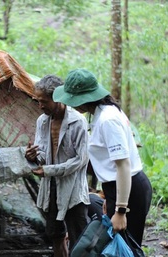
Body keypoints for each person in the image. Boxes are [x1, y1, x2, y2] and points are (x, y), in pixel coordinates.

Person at [52, 68, 152, 247]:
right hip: (119, 188)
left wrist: (121, 210)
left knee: (124, 248)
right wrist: (109, 197)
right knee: (119, 246)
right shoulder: (102, 114)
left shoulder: (108, 120)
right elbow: (108, 162)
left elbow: (123, 165)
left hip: (129, 189)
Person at [25, 74, 90, 257]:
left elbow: (80, 160)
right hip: (51, 187)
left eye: (44, 101)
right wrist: (33, 156)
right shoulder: (42, 121)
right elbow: (43, 155)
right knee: (55, 235)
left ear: (58, 98)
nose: (40, 106)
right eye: (38, 101)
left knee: (80, 239)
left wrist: (49, 170)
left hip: (73, 191)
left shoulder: (77, 122)